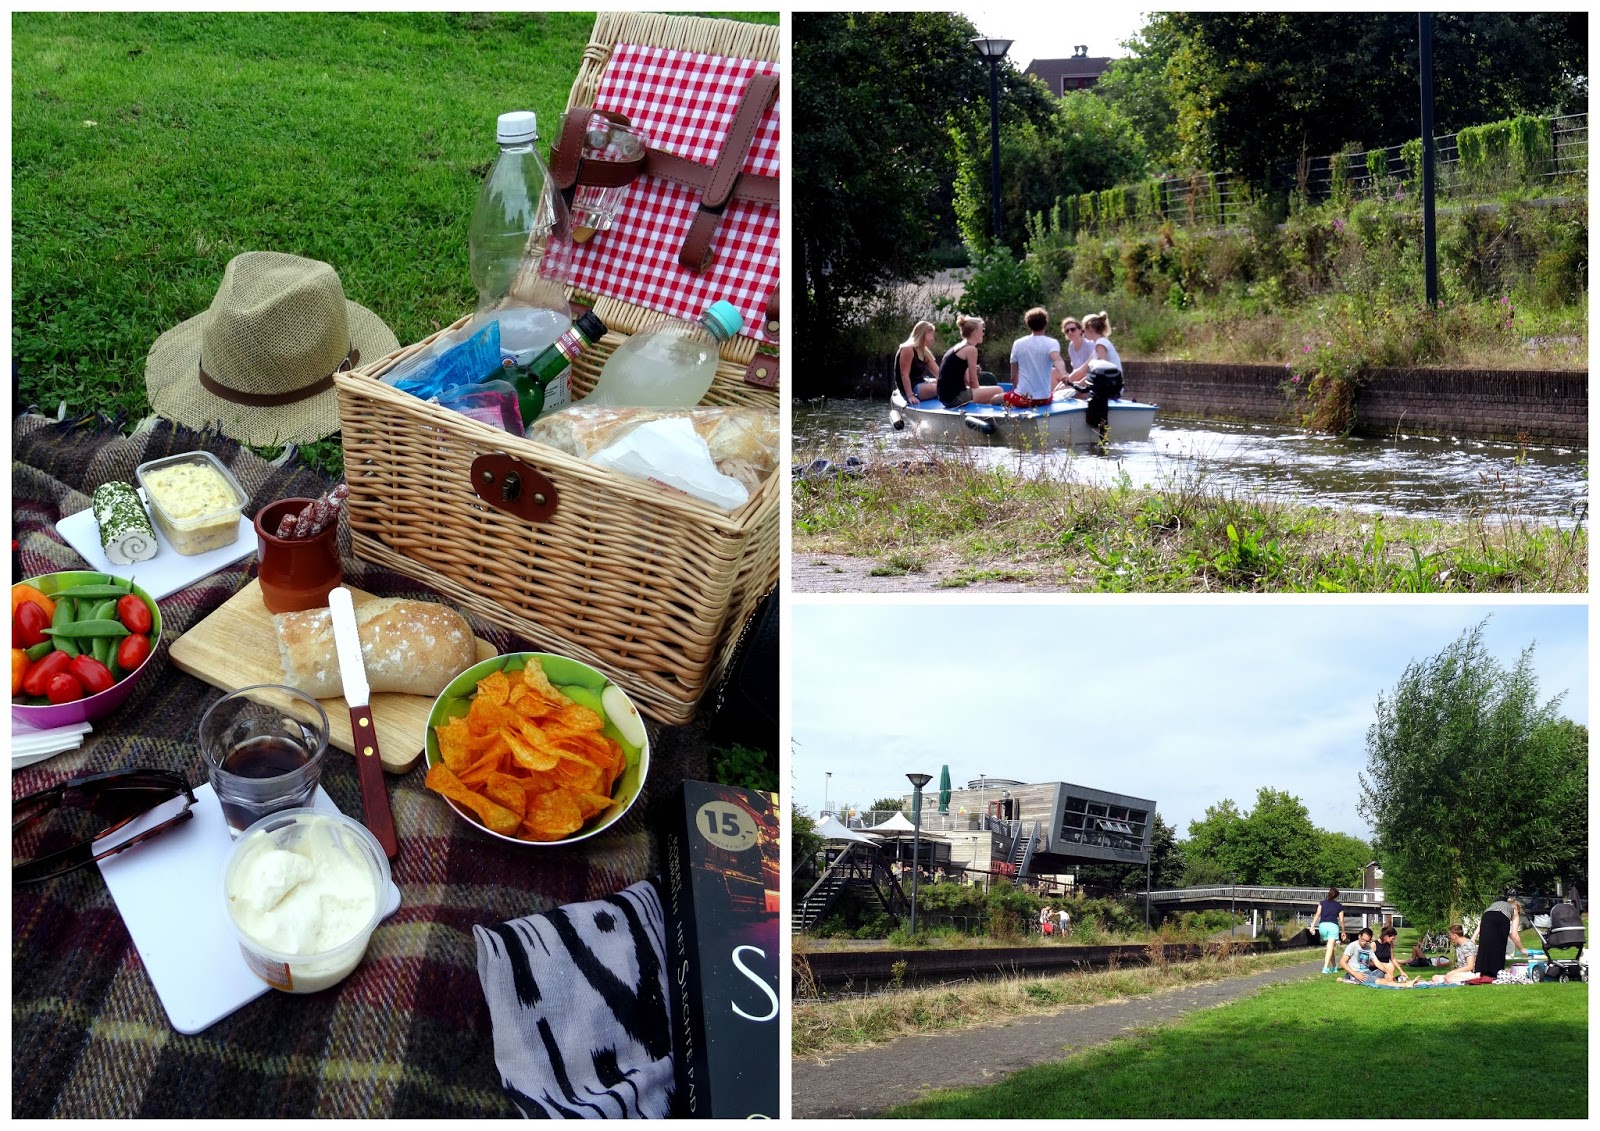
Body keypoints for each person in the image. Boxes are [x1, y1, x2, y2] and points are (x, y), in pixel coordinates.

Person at [936, 315, 1004, 408]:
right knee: (998, 391)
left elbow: (967, 379)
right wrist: (979, 393)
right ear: (975, 332)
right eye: (982, 330)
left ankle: (982, 412)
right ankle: (990, 415)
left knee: (988, 394)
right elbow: (973, 381)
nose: (983, 333)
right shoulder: (971, 350)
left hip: (945, 398)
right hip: (955, 398)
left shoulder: (959, 347)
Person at [1006, 307, 1065, 408]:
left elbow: (1013, 377)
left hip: (1023, 399)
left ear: (1028, 325)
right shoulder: (1052, 343)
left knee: (995, 398)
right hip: (1045, 399)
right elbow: (1057, 359)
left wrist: (1016, 390)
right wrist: (1064, 374)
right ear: (1045, 324)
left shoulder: (1018, 343)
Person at [1064, 311, 1123, 388]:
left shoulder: (1100, 344)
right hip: (1107, 384)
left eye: (1084, 330)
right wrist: (1067, 381)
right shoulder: (1098, 344)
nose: (1083, 332)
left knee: (1072, 392)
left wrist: (1080, 383)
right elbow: (1084, 369)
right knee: (1067, 389)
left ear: (1090, 328)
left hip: (1111, 387)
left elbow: (1102, 371)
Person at [1472, 896, 1525, 979]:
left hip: (1486, 916)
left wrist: (1474, 937)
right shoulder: (1514, 911)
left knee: (1484, 944)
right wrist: (1522, 949)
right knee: (1500, 945)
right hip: (1502, 917)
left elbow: (1481, 924)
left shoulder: (1496, 905)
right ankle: (1496, 971)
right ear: (1517, 908)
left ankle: (1478, 972)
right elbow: (1514, 935)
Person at [894, 320, 939, 404]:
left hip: (921, 383)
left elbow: (939, 374)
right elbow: (904, 375)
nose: (933, 338)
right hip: (911, 389)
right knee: (942, 388)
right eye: (931, 335)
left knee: (946, 383)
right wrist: (910, 396)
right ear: (923, 334)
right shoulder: (908, 349)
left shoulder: (924, 351)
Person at [1311, 887, 1346, 974]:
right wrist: (1343, 931)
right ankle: (1325, 968)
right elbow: (1341, 920)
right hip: (1332, 926)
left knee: (1330, 947)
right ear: (1336, 896)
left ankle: (1334, 967)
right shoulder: (1339, 906)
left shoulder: (1322, 903)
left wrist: (1313, 926)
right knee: (1330, 947)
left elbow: (1317, 914)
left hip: (1322, 926)